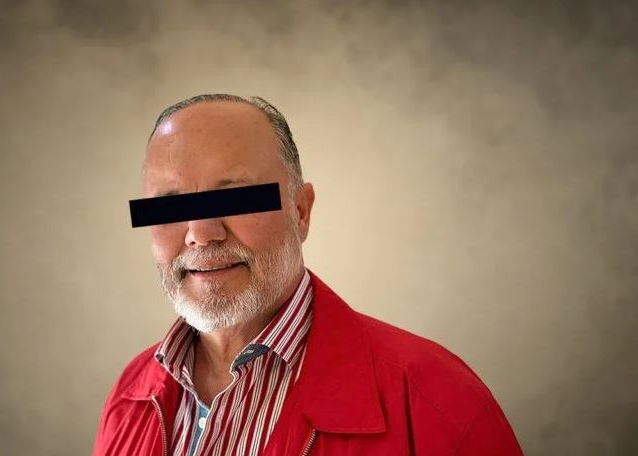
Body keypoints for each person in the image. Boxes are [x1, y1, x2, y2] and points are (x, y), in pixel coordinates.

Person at [92, 94, 524, 456]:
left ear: (300, 211)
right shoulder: (129, 395)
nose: (201, 234)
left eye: (236, 197)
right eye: (168, 205)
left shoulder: (437, 399)